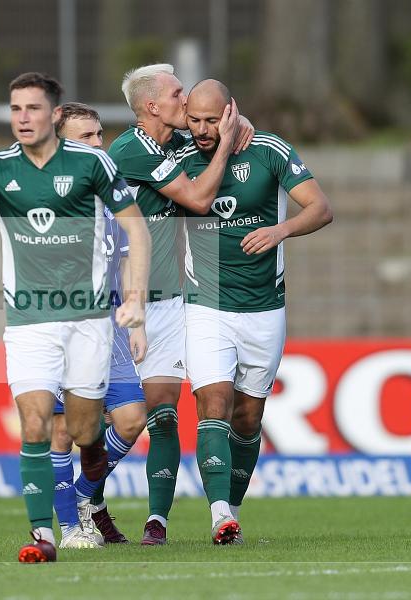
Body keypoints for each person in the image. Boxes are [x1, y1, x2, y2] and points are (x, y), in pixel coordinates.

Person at [0, 73, 151, 562]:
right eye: (15, 109)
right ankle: (46, 533)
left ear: (53, 113)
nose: (23, 117)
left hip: (89, 320)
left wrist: (135, 298)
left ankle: (85, 498)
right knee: (37, 423)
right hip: (29, 319)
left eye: (32, 108)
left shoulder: (92, 163)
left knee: (87, 432)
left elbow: (135, 229)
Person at [178, 79, 332, 544]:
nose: (202, 129)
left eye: (212, 120)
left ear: (230, 112)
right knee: (214, 403)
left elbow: (321, 208)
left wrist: (280, 230)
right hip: (206, 304)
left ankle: (234, 512)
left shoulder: (267, 149)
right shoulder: (178, 157)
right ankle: (219, 514)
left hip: (265, 306)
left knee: (247, 419)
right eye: (194, 120)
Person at [107, 63, 251, 545]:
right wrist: (228, 141)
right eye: (176, 93)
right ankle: (95, 503)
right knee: (151, 414)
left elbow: (210, 132)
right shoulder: (133, 149)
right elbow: (197, 198)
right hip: (135, 301)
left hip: (179, 298)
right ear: (153, 106)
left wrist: (237, 124)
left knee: (196, 405)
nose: (185, 100)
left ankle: (191, 517)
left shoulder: (172, 143)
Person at [49, 103, 147, 547]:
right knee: (64, 432)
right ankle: (71, 528)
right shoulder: (44, 200)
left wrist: (135, 316)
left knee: (131, 419)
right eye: (84, 137)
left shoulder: (114, 198)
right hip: (60, 329)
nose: (96, 144)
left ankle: (86, 495)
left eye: (98, 135)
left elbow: (127, 261)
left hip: (108, 327)